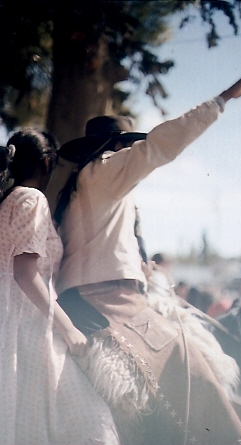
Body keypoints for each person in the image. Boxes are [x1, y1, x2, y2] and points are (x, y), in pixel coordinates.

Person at [46, 72, 241, 445]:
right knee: (189, 354)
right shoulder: (105, 171)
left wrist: (140, 265)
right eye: (125, 148)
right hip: (107, 300)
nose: (130, 157)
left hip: (94, 295)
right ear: (115, 146)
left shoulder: (82, 187)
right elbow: (161, 145)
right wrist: (221, 100)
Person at [0, 130, 119, 445]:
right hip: (25, 324)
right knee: (91, 424)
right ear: (48, 162)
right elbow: (25, 274)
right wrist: (67, 328)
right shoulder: (32, 198)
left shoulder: (7, 201)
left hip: (11, 319)